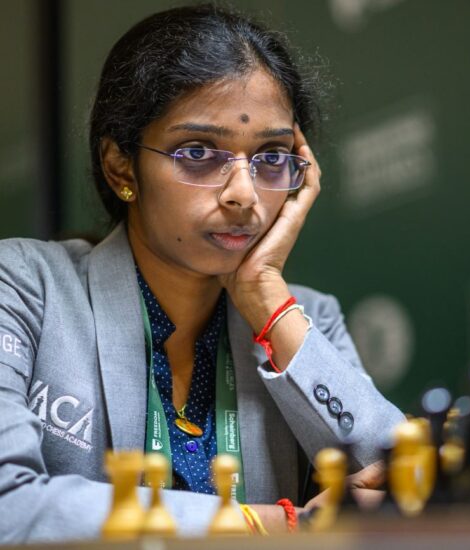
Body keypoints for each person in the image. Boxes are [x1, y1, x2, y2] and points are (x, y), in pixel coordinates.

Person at [0, 4, 404, 543]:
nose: (243, 194)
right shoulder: (23, 287)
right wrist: (276, 524)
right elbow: (9, 507)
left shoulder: (306, 320)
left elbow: (408, 491)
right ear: (120, 166)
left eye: (271, 157)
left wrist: (266, 298)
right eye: (198, 152)